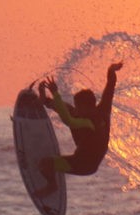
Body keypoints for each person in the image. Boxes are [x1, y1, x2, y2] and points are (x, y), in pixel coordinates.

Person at [34, 62, 123, 197]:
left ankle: (52, 186)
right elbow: (110, 86)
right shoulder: (103, 108)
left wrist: (56, 93)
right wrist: (111, 70)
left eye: (80, 107)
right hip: (84, 152)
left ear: (88, 107)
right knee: (70, 110)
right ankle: (45, 100)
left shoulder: (88, 122)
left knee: (44, 164)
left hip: (84, 165)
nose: (78, 109)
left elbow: (68, 121)